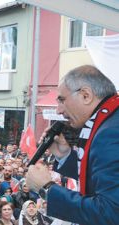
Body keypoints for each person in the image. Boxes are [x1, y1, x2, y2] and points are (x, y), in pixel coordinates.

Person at [26, 65, 119, 225]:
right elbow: (101, 178)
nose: (59, 111)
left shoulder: (109, 133)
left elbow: (110, 213)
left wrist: (47, 188)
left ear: (86, 95)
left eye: (62, 100)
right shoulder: (110, 121)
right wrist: (64, 155)